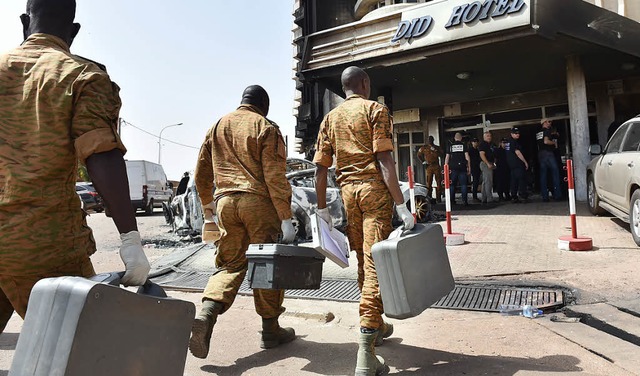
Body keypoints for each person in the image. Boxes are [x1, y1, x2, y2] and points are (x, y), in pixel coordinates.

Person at [0, 0, 150, 333]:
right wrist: (129, 239)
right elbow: (100, 154)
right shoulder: (82, 76)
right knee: (89, 349)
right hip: (43, 246)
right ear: (73, 32)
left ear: (25, 22)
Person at [313, 66, 414, 376]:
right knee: (375, 267)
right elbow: (385, 160)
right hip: (373, 193)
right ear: (365, 83)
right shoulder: (376, 110)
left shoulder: (330, 119)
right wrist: (402, 204)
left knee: (364, 262)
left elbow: (320, 168)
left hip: (347, 195)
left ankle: (378, 324)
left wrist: (321, 210)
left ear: (345, 88)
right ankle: (366, 354)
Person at [190, 85, 297, 359]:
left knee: (230, 264)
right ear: (264, 105)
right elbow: (275, 177)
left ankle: (207, 312)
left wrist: (208, 210)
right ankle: (271, 330)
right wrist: (286, 217)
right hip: (258, 203)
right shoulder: (265, 127)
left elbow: (201, 173)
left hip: (225, 203)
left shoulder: (217, 126)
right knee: (265, 266)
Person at [537, 119, 561, 202]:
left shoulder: (538, 133)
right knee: (555, 173)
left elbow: (542, 140)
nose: (550, 123)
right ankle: (557, 195)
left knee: (543, 176)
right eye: (549, 122)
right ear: (544, 123)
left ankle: (545, 196)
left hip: (541, 154)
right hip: (548, 153)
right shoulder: (547, 131)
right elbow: (546, 141)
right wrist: (554, 143)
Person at [445, 132, 471, 206]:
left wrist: (446, 166)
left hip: (453, 167)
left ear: (454, 138)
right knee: (463, 184)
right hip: (462, 167)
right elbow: (467, 157)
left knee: (452, 185)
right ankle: (464, 201)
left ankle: (452, 201)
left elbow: (447, 157)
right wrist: (469, 167)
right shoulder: (464, 145)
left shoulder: (450, 146)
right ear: (461, 138)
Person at [505, 127, 529, 203]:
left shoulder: (508, 142)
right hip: (518, 164)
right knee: (521, 180)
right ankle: (522, 195)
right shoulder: (514, 142)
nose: (517, 134)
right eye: (515, 133)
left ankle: (514, 196)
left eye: (518, 133)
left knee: (514, 181)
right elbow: (518, 153)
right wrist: (525, 161)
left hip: (512, 165)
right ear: (511, 134)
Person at [417, 136, 444, 202]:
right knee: (429, 182)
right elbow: (419, 154)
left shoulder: (437, 147)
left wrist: (435, 150)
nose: (430, 141)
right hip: (429, 166)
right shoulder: (424, 148)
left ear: (433, 140)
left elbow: (442, 154)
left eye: (431, 139)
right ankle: (429, 197)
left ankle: (438, 198)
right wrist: (423, 161)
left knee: (439, 182)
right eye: (429, 140)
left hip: (436, 165)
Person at [478, 131, 496, 204]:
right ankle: (489, 199)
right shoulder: (483, 144)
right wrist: (488, 163)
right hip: (485, 163)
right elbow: (482, 155)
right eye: (487, 136)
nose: (489, 137)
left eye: (490, 136)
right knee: (488, 181)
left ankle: (484, 198)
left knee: (485, 181)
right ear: (484, 137)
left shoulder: (490, 145)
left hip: (489, 163)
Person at [468, 137, 482, 203]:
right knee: (475, 181)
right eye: (474, 142)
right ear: (472, 143)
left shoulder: (478, 150)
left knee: (477, 181)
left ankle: (475, 196)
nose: (476, 143)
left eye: (476, 142)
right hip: (473, 167)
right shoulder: (470, 150)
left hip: (478, 167)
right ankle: (474, 196)